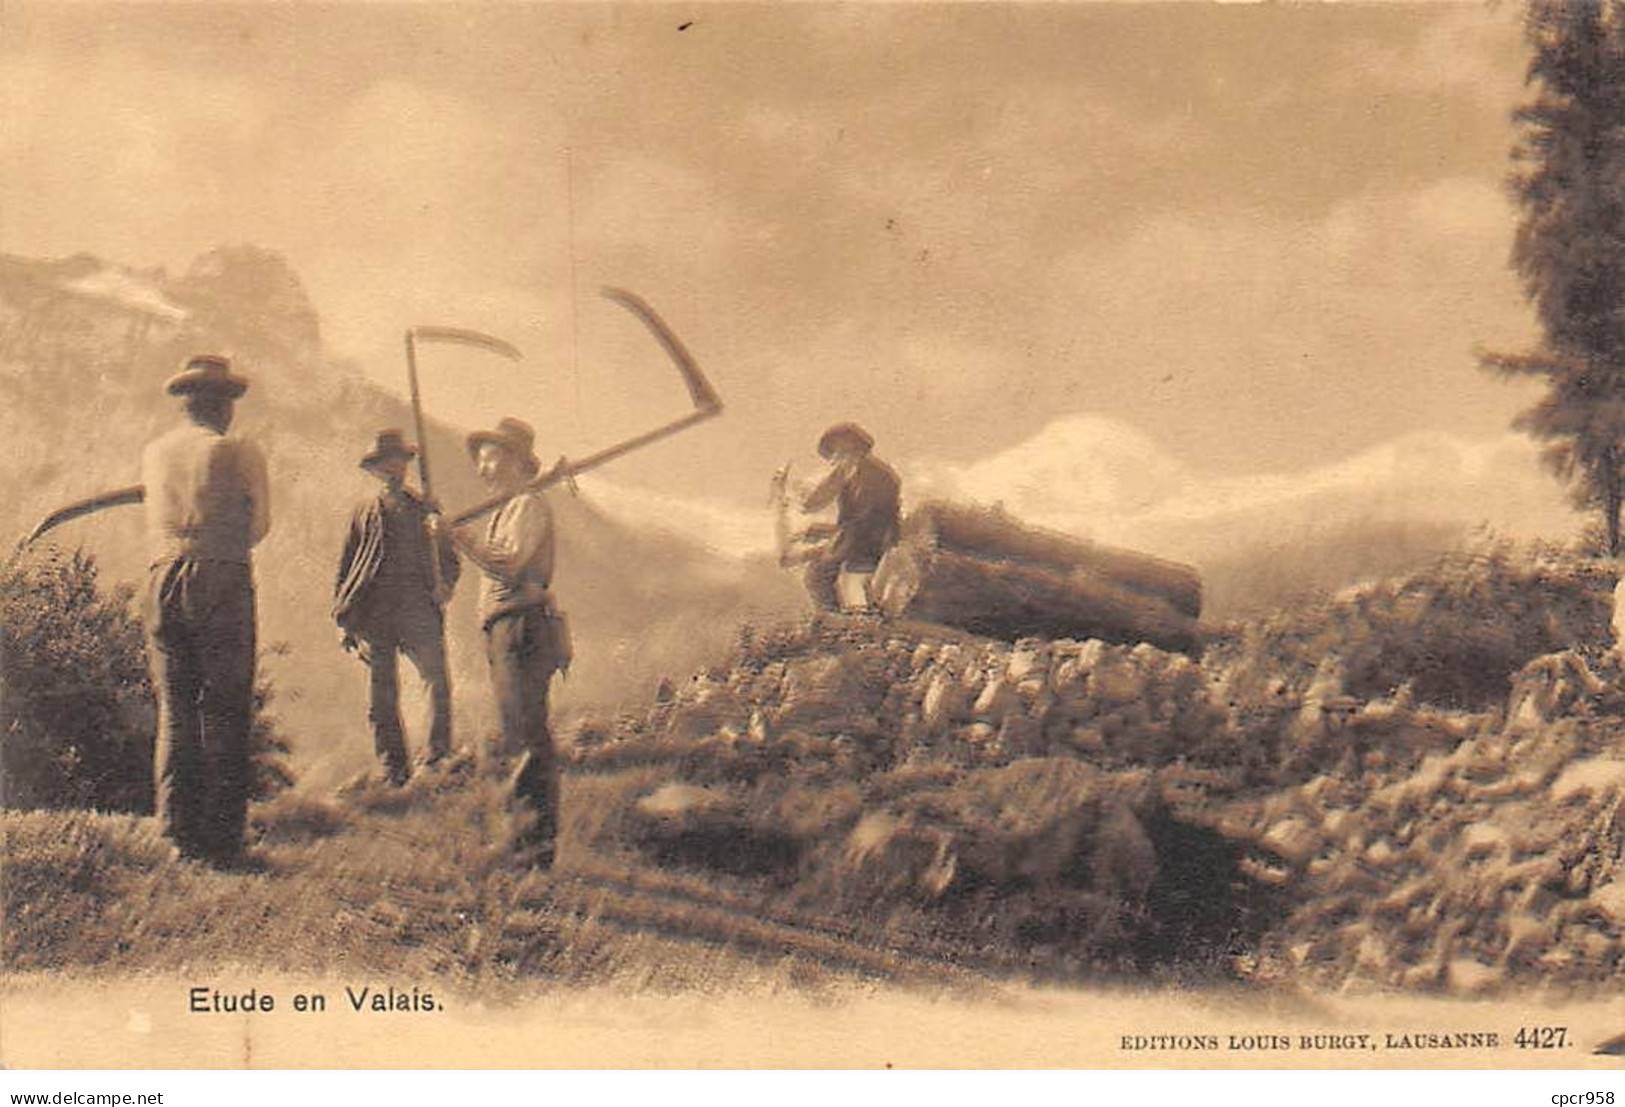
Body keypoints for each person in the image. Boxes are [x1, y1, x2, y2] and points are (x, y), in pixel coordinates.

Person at [141, 354, 270, 865]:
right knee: (225, 707)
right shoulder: (238, 450)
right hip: (220, 574)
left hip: (161, 576)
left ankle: (175, 833)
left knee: (175, 707)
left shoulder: (155, 452)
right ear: (224, 405)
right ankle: (222, 840)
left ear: (186, 402)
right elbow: (259, 525)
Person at [429, 417, 568, 868]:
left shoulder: (527, 506)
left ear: (515, 461)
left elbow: (508, 565)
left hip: (523, 626)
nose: (483, 466)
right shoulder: (508, 509)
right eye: (481, 457)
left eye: (491, 455)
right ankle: (526, 840)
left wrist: (459, 535)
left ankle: (529, 846)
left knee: (526, 734)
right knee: (518, 732)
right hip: (506, 627)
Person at [332, 429, 461, 785]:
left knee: (435, 680)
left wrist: (445, 586)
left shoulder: (426, 509)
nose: (392, 469)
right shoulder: (363, 513)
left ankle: (437, 757)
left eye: (397, 461)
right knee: (381, 696)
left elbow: (449, 558)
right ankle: (394, 769)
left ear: (406, 464)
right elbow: (347, 566)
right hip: (376, 613)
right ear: (373, 469)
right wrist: (343, 619)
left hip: (417, 607)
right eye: (383, 463)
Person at [798, 422, 901, 611]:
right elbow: (813, 502)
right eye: (832, 455)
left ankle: (837, 619)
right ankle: (833, 618)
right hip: (855, 538)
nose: (833, 460)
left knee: (819, 574)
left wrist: (828, 532)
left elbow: (869, 521)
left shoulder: (877, 476)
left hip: (875, 541)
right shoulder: (848, 472)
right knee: (816, 573)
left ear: (852, 449)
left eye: (837, 453)